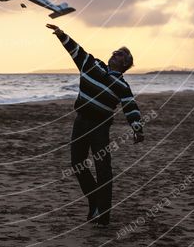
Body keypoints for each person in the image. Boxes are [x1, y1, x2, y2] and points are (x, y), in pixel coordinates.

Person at [46, 24, 144, 227]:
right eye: (115, 52)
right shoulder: (92, 64)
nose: (114, 54)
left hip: (100, 127)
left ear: (124, 64)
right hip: (80, 122)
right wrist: (62, 35)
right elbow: (76, 51)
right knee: (77, 163)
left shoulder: (123, 86)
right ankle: (94, 202)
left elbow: (130, 107)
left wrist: (137, 127)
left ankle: (103, 214)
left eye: (119, 55)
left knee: (103, 168)